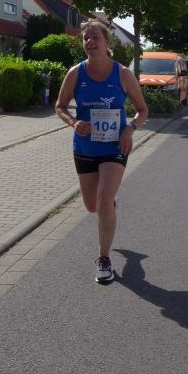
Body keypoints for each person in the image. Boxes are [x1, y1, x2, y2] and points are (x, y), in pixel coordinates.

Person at [55, 20, 148, 283]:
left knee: (104, 200)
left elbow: (142, 110)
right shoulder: (76, 73)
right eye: (86, 38)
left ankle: (104, 258)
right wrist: (74, 122)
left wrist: (130, 128)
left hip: (115, 145)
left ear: (107, 42)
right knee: (92, 205)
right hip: (85, 145)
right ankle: (109, 205)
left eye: (95, 37)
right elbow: (60, 106)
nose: (90, 42)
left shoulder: (123, 74)